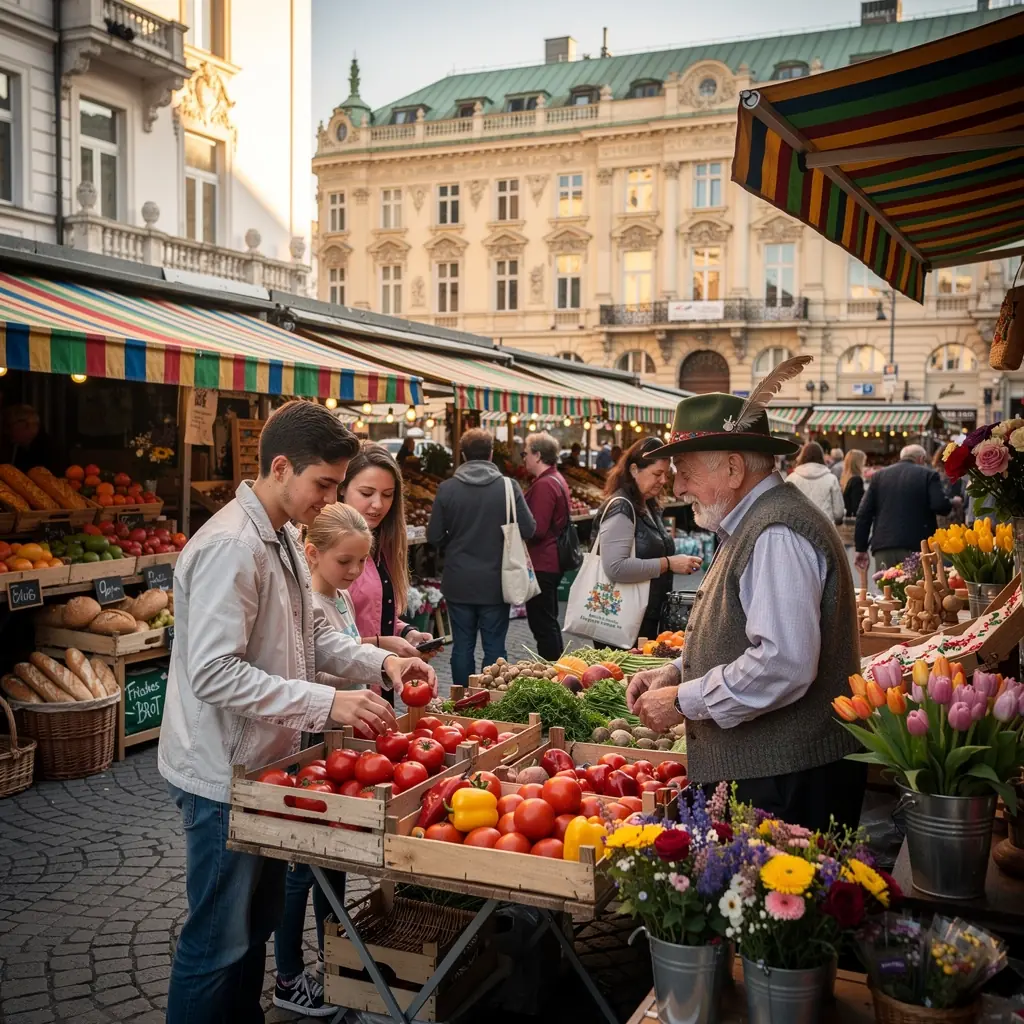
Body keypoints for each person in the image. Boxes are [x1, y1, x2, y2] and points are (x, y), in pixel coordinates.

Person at [159, 400, 437, 1024]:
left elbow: (313, 634)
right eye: (326, 484)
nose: (333, 498)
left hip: (259, 768)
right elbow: (211, 672)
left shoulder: (283, 535)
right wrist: (326, 699)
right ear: (281, 467)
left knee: (248, 933)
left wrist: (379, 663)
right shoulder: (232, 546)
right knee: (215, 944)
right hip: (219, 774)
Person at [626, 388, 865, 832]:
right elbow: (745, 629)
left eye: (686, 472)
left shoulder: (776, 530)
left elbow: (783, 662)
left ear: (734, 468)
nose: (677, 486)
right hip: (778, 771)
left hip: (788, 780)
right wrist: (678, 670)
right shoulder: (753, 522)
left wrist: (683, 700)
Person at [272, 503, 374, 1017]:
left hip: (340, 746)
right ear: (311, 553)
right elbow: (311, 673)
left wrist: (381, 648)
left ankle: (332, 959)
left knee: (331, 865)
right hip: (311, 748)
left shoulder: (336, 597)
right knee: (301, 867)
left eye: (361, 563)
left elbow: (347, 650)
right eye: (345, 563)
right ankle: (287, 975)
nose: (355, 574)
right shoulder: (310, 604)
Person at [427, 428, 536, 685]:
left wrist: (453, 543)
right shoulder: (508, 487)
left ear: (463, 455)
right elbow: (530, 528)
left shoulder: (447, 489)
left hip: (458, 580)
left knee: (462, 646)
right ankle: (493, 699)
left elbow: (433, 536)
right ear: (490, 454)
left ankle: (461, 698)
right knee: (495, 647)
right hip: (497, 581)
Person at [341, 443, 434, 705]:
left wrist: (406, 634)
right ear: (341, 488)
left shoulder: (381, 547)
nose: (378, 504)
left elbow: (373, 611)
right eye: (366, 493)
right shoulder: (329, 552)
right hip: (347, 696)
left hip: (379, 685)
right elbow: (319, 640)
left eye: (388, 494)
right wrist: (384, 644)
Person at [597, 436, 703, 645]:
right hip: (621, 621)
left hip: (643, 617)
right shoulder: (622, 507)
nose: (663, 481)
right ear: (635, 470)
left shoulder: (648, 506)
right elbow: (615, 567)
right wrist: (670, 563)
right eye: (657, 474)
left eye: (666, 474)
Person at [854, 444, 952, 575]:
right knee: (916, 591)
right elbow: (941, 506)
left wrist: (861, 548)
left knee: (887, 592)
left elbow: (863, 514)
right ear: (921, 459)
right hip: (917, 547)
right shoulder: (928, 475)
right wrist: (952, 502)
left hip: (884, 547)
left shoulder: (879, 476)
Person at [522, 432, 572, 661]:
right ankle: (557, 667)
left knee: (543, 624)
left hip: (543, 562)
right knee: (548, 621)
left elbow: (537, 528)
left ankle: (552, 669)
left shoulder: (544, 485)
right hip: (551, 560)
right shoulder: (556, 479)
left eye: (526, 453)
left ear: (538, 455)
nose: (524, 458)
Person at [786, 442, 844, 525]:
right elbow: (839, 513)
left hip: (798, 529)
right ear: (821, 457)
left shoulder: (791, 479)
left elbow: (786, 509)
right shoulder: (831, 479)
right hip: (825, 530)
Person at [1, 404, 60, 471]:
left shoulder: (49, 450)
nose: (5, 431)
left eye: (8, 426)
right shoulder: (19, 448)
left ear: (24, 424)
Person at [841, 449, 867, 519]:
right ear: (858, 463)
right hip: (855, 520)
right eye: (863, 462)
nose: (864, 465)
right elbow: (857, 506)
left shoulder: (845, 478)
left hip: (848, 518)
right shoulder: (857, 480)